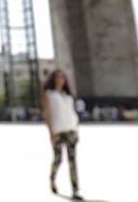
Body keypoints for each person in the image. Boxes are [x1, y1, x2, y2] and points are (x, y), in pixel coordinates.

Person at [41, 70, 83, 200]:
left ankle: (75, 190)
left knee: (72, 161)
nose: (60, 80)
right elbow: (47, 114)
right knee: (58, 159)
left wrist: (76, 128)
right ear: (53, 80)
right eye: (58, 78)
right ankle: (52, 179)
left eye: (62, 78)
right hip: (58, 131)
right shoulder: (48, 94)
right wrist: (51, 133)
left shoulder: (68, 96)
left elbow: (71, 112)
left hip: (71, 130)